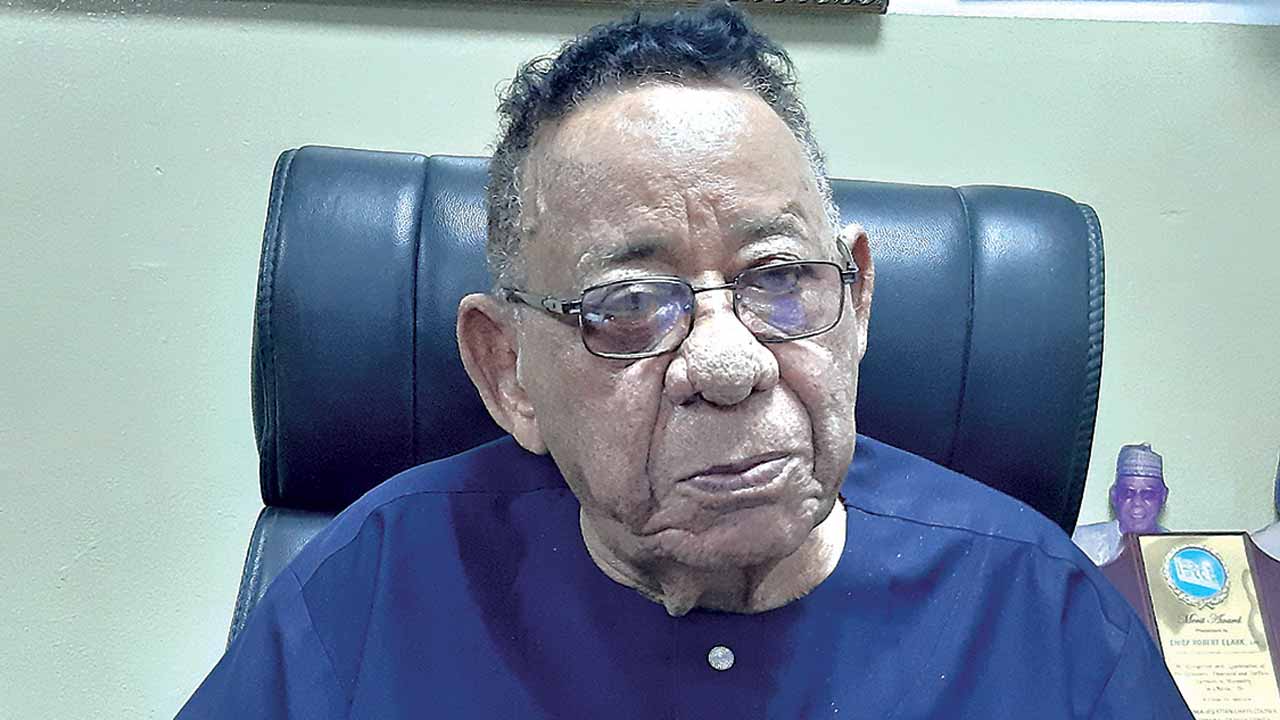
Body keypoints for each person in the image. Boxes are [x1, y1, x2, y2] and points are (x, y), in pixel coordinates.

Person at [177, 6, 1191, 717]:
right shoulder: (379, 581)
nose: (729, 364)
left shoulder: (1040, 615)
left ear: (857, 301)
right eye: (628, 307)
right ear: (508, 372)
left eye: (779, 278)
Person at [1072, 443, 1170, 566]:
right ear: (1114, 496)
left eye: (1148, 495)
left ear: (1163, 497)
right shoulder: (1081, 542)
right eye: (1128, 493)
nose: (1137, 502)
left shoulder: (1173, 548)